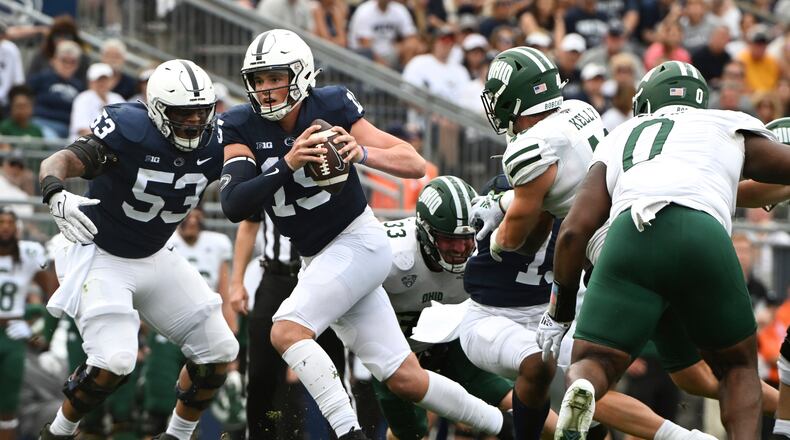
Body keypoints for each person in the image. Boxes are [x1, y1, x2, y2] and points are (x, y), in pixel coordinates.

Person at [219, 29, 504, 440]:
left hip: (358, 240)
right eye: (259, 80)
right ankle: (505, 425)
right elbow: (234, 205)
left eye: (275, 77)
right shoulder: (240, 125)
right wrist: (287, 162)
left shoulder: (330, 104)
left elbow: (414, 162)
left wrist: (362, 152)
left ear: (299, 75)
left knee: (285, 329)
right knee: (404, 377)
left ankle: (348, 433)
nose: (265, 89)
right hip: (317, 258)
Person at [539, 60, 790, 439]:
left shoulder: (622, 134)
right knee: (736, 369)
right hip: (701, 232)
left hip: (631, 237)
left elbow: (574, 231)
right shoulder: (723, 124)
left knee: (594, 360)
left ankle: (585, 388)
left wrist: (559, 313)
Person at [37, 59, 238, 440]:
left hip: (156, 254)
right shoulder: (129, 131)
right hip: (102, 255)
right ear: (158, 109)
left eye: (201, 111)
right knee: (114, 361)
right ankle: (59, 432)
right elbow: (59, 159)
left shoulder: (218, 141)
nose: (195, 121)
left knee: (219, 351)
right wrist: (54, 191)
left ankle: (177, 436)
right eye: (183, 113)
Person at [376, 176, 515, 440]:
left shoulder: (484, 249)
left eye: (468, 238)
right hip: (393, 352)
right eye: (449, 240)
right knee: (412, 433)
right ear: (426, 231)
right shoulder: (390, 253)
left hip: (449, 340)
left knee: (513, 400)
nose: (462, 248)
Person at [229, 213, 349, 439]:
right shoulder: (264, 177)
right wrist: (236, 282)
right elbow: (249, 223)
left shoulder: (328, 177)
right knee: (259, 377)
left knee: (335, 372)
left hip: (320, 278)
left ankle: (346, 435)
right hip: (277, 277)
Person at [141, 206, 235, 438]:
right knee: (160, 397)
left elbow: (225, 290)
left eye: (197, 217)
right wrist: (141, 335)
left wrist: (231, 331)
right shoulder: (161, 240)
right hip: (166, 325)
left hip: (205, 324)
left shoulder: (217, 243)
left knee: (200, 390)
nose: (192, 221)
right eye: (188, 217)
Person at [0, 207, 53, 440]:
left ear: (17, 227)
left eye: (10, 222)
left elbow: (54, 294)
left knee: (8, 409)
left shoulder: (28, 254)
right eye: (1, 222)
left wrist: (34, 330)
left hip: (12, 334)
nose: (5, 227)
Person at [68, 63, 124, 141]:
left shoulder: (117, 98)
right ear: (91, 82)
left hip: (110, 145)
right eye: (99, 80)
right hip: (84, 145)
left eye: (105, 79)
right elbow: (82, 130)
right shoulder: (83, 99)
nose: (102, 83)